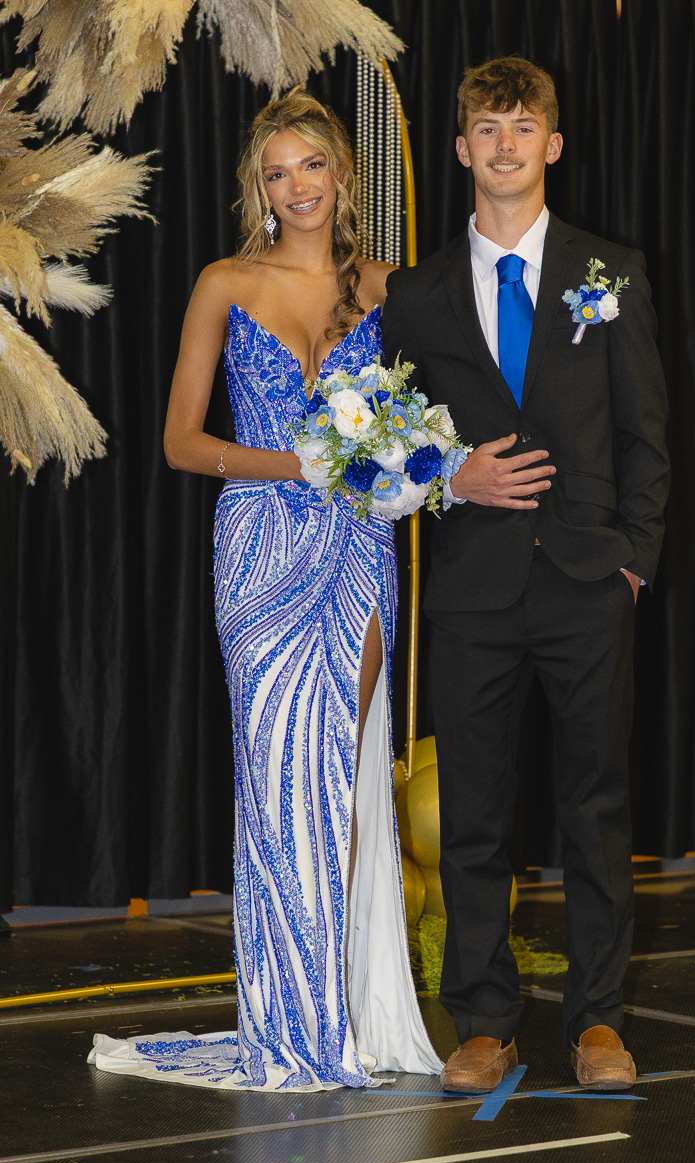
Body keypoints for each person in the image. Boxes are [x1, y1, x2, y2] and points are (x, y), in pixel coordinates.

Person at [89, 89, 441, 1090]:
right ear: (258, 187)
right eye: (276, 172)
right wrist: (301, 464)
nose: (296, 187)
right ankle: (288, 1030)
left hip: (357, 554)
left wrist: (409, 460)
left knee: (337, 786)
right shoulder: (222, 283)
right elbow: (179, 442)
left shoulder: (383, 289)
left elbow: (439, 403)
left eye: (311, 167)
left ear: (340, 176)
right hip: (257, 551)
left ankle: (334, 1014)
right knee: (276, 786)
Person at [382, 57, 669, 1094]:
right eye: (484, 129)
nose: (503, 144)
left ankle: (596, 1023)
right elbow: (386, 440)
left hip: (588, 584)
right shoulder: (410, 294)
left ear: (550, 145)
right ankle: (483, 1022)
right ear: (459, 150)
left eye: (521, 127)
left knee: (593, 809)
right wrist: (447, 478)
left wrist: (630, 562)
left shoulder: (610, 270)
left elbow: (647, 438)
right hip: (469, 590)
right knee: (473, 815)